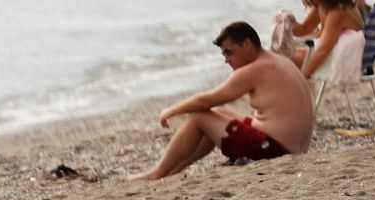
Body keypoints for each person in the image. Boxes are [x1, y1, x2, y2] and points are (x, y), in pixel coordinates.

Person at [127, 22, 313, 181]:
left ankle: (156, 172)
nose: (226, 60)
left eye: (229, 52)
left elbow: (204, 101)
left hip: (274, 149)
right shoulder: (277, 60)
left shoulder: (253, 69)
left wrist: (170, 111)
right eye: (224, 55)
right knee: (219, 113)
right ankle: (172, 172)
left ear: (247, 44)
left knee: (199, 117)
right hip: (293, 147)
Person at [284, 0, 366, 78]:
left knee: (287, 59)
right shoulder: (324, 5)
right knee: (286, 55)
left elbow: (323, 50)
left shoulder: (338, 11)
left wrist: (302, 77)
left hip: (344, 62)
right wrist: (289, 23)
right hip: (334, 53)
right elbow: (304, 29)